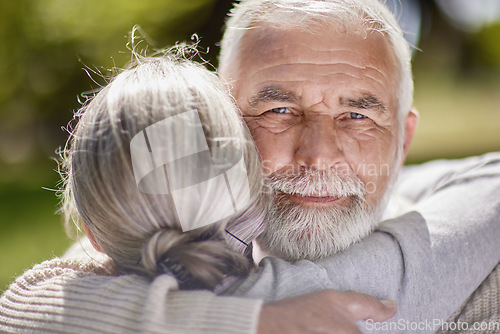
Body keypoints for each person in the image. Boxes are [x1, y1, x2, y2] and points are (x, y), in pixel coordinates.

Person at [1, 0, 499, 333]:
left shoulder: (485, 283)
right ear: (222, 124)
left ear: (403, 140)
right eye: (278, 110)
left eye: (357, 116)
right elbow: (22, 310)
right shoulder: (160, 235)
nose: (318, 154)